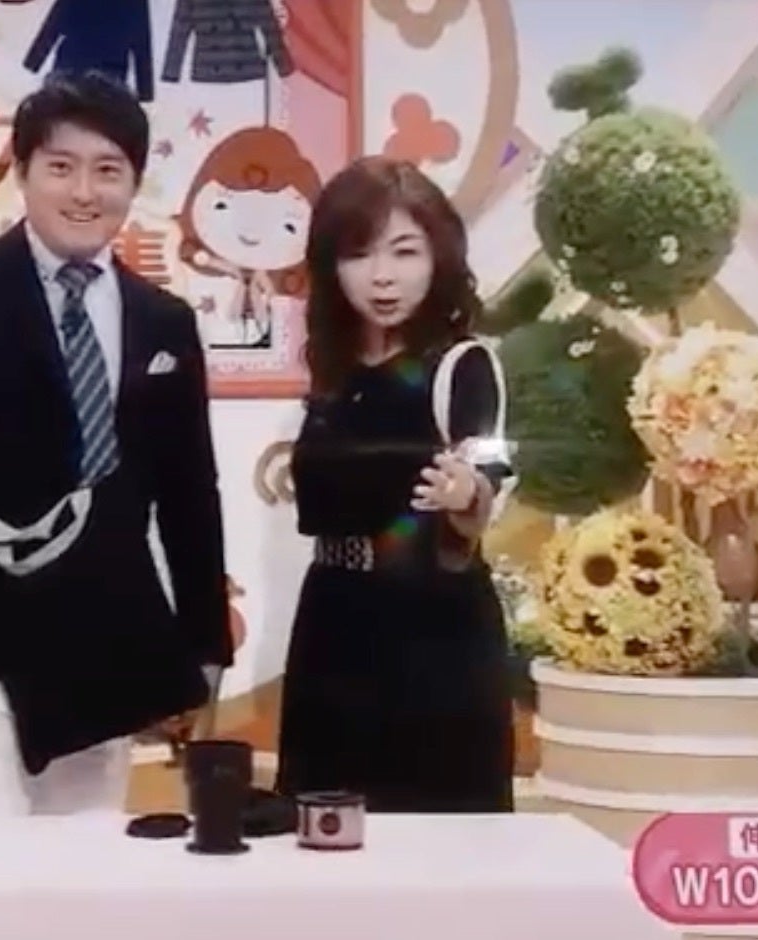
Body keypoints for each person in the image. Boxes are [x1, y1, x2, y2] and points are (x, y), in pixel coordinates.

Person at [0, 70, 233, 820]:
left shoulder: (164, 321)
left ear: (135, 182)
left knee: (83, 877)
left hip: (101, 652)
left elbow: (190, 494)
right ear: (21, 172)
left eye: (108, 170)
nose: (84, 192)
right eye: (61, 166)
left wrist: (203, 650)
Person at [275, 156, 515, 814]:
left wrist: (466, 494)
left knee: (437, 833)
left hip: (433, 631)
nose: (382, 276)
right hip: (332, 621)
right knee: (322, 827)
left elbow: (488, 470)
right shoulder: (333, 368)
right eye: (359, 254)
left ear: (439, 256)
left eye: (405, 252)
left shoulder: (463, 364)